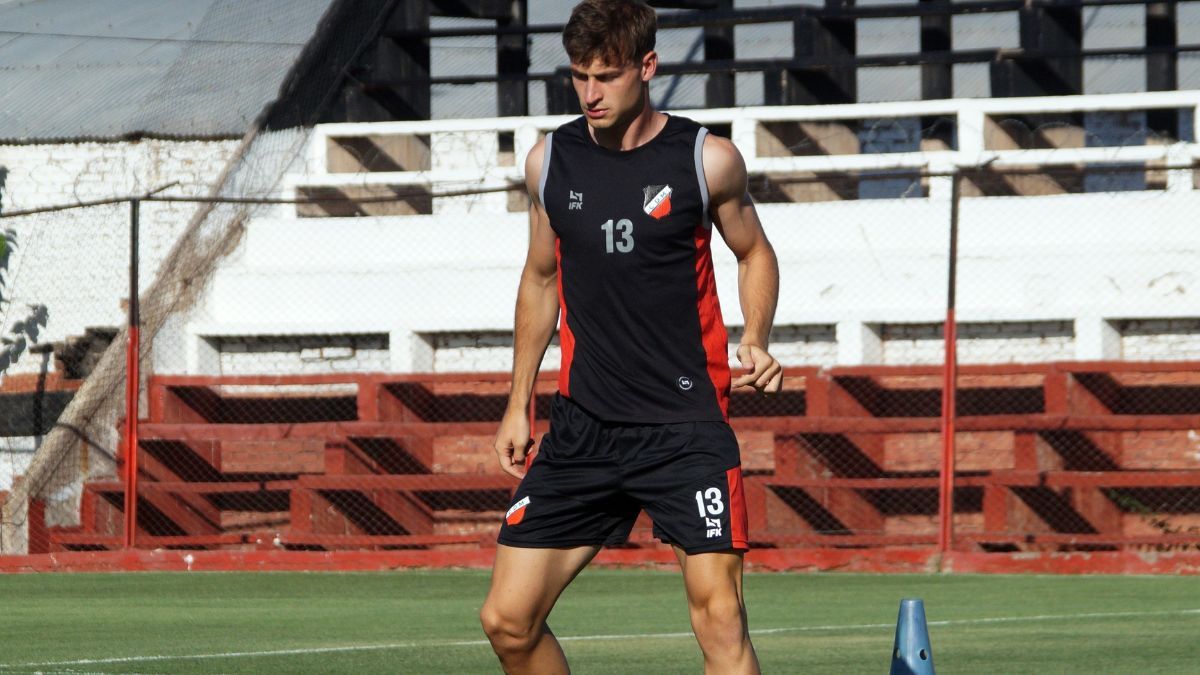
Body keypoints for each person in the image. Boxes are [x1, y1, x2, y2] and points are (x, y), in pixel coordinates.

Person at [479, 1, 781, 672]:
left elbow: (754, 252)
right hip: (585, 427)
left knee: (722, 622)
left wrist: (755, 335)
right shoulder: (549, 162)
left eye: (606, 76)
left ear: (647, 67)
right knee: (507, 620)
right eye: (578, 77)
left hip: (686, 427)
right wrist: (516, 401)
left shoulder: (708, 160)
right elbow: (539, 279)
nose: (589, 93)